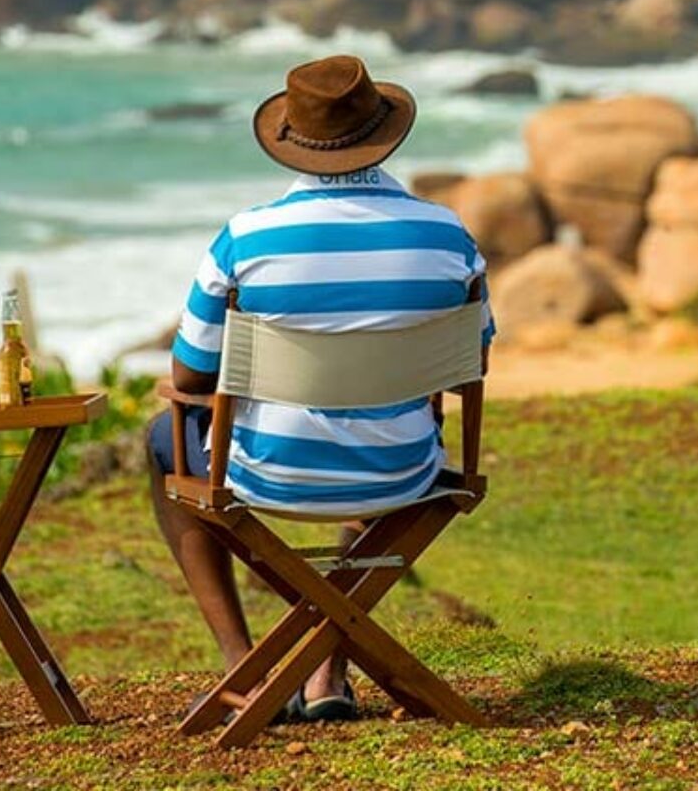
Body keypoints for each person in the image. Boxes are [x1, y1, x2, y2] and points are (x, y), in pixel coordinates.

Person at [144, 54, 493, 722]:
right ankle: (325, 670)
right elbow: (468, 358)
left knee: (164, 438)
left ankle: (244, 668)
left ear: (292, 143)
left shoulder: (246, 238)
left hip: (266, 472)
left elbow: (190, 377)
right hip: (405, 471)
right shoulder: (448, 233)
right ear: (384, 132)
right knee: (387, 417)